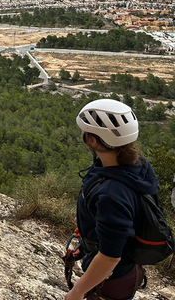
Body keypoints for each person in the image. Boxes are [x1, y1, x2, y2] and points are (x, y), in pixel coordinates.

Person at [66, 99, 156, 300]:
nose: (81, 134)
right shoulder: (138, 166)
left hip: (112, 280)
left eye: (84, 131)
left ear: (93, 141)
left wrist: (77, 292)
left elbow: (109, 257)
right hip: (126, 269)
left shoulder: (110, 194)